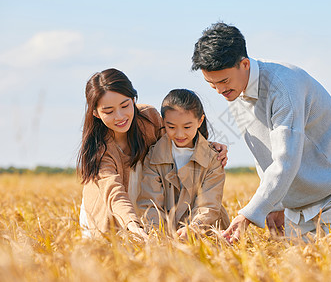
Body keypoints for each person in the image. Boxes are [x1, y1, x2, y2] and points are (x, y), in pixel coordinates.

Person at [191, 22, 331, 243]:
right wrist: (275, 204)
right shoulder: (235, 92)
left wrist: (247, 215)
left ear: (244, 64)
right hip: (296, 207)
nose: (219, 90)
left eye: (223, 81)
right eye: (211, 84)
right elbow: (262, 151)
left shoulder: (284, 86)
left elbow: (286, 160)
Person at [77, 69, 228, 239]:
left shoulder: (149, 119)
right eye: (109, 111)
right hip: (114, 215)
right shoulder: (99, 150)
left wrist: (206, 147)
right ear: (96, 113)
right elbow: (114, 193)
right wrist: (131, 223)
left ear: (134, 100)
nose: (119, 116)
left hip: (150, 206)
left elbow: (177, 143)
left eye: (125, 105)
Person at [134, 89, 230, 239]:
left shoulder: (213, 158)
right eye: (171, 127)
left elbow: (209, 205)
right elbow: (150, 202)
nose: (179, 134)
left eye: (187, 127)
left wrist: (194, 229)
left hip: (207, 233)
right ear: (163, 122)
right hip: (164, 234)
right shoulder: (153, 156)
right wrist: (158, 235)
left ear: (200, 121)